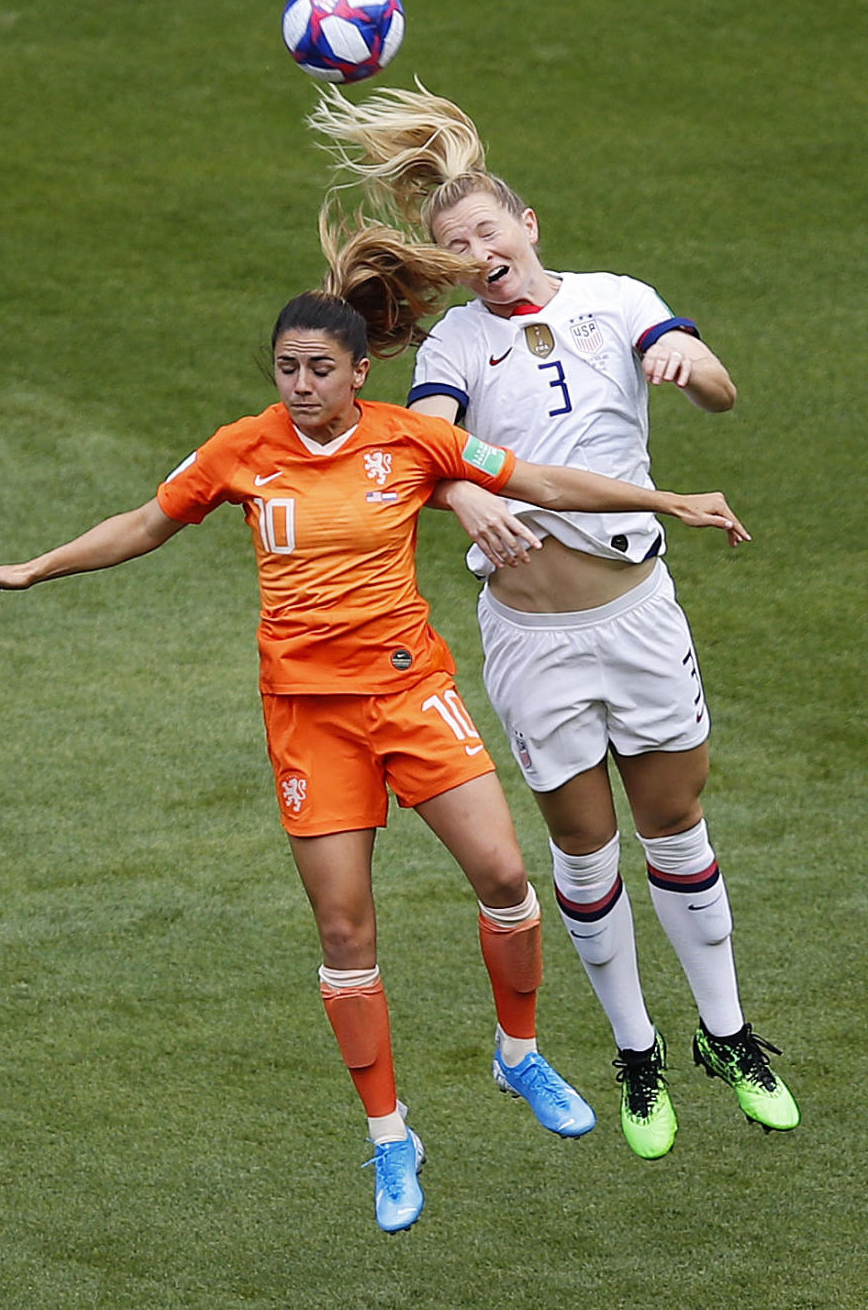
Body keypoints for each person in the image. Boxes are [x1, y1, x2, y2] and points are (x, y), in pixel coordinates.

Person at [0, 285, 749, 1233]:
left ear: (359, 371)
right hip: (309, 721)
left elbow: (536, 480)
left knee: (504, 873)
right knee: (346, 934)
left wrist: (665, 499)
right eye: (286, 367)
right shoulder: (238, 450)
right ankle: (390, 1137)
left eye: (318, 367)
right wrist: (34, 567)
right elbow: (145, 523)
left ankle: (519, 1053)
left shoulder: (411, 440)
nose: (299, 385)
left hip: (414, 697)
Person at [306, 81, 800, 1160]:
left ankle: (728, 1033)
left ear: (528, 228)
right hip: (534, 640)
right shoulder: (454, 355)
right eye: (455, 242)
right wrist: (463, 491)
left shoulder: (620, 301)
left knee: (678, 824)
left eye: (489, 229)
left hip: (640, 615)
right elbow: (423, 451)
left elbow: (718, 391)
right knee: (584, 847)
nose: (478, 248)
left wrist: (693, 365)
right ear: (446, 261)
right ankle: (637, 1053)